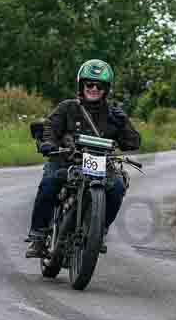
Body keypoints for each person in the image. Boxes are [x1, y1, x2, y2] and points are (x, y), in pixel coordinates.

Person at [25, 59, 141, 258]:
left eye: (99, 85)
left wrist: (123, 125)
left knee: (118, 187)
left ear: (106, 89)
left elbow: (133, 143)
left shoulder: (113, 114)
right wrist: (48, 144)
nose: (94, 89)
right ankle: (38, 237)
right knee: (49, 183)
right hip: (67, 160)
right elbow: (50, 128)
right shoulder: (68, 108)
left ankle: (99, 231)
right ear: (81, 85)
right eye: (89, 84)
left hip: (102, 165)